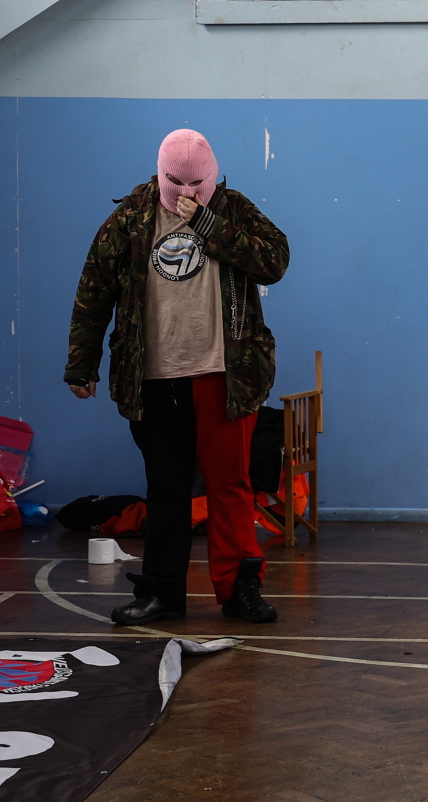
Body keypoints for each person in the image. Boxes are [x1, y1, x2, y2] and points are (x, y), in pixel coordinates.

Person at [65, 129, 290, 626]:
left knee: (231, 484)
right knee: (165, 489)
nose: (187, 193)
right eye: (176, 183)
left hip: (227, 376)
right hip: (154, 377)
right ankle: (162, 594)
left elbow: (275, 262)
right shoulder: (131, 216)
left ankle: (240, 590)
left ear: (213, 177)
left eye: (197, 184)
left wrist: (210, 226)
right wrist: (81, 363)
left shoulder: (233, 210)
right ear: (159, 173)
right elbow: (94, 288)